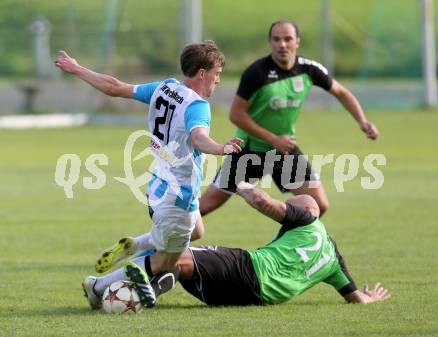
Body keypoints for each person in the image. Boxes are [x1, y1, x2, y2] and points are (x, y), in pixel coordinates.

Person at [55, 41, 242, 307]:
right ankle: (97, 286)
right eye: (217, 74)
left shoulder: (164, 88)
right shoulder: (198, 106)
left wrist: (77, 69)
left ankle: (138, 243)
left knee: (197, 230)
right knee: (166, 263)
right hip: (179, 196)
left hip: (156, 187)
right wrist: (221, 148)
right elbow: (199, 138)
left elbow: (114, 87)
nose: (218, 80)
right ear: (202, 73)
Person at [82, 182, 390, 309]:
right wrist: (371, 298)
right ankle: (158, 280)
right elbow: (356, 299)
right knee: (184, 260)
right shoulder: (334, 258)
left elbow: (265, 203)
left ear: (303, 212)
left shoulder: (306, 219)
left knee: (176, 254)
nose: (287, 213)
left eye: (291, 207)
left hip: (249, 268)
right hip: (253, 299)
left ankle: (99, 288)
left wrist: (239, 184)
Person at [199, 20, 380, 218]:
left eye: (287, 39)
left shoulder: (308, 69)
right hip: (249, 151)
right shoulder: (256, 73)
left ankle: (289, 241)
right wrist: (273, 139)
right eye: (276, 39)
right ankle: (165, 236)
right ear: (270, 42)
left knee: (318, 206)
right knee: (204, 206)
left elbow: (341, 92)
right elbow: (236, 114)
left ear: (297, 42)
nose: (282, 44)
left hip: (283, 150)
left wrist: (363, 121)